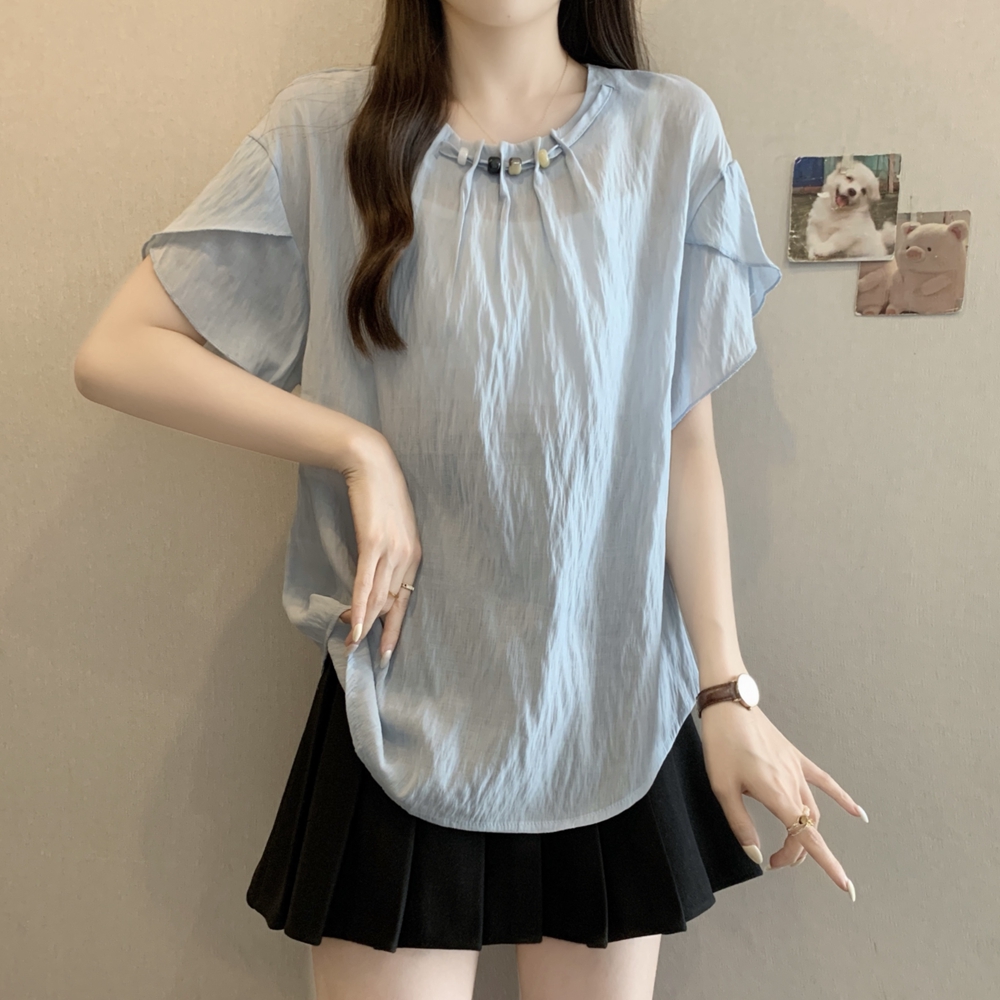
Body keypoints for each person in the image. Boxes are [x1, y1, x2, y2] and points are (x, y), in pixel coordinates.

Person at [74, 0, 870, 996]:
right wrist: (355, 447)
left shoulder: (668, 131)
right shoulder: (325, 134)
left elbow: (681, 438)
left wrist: (724, 691)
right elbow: (119, 351)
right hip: (401, 694)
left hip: (611, 696)